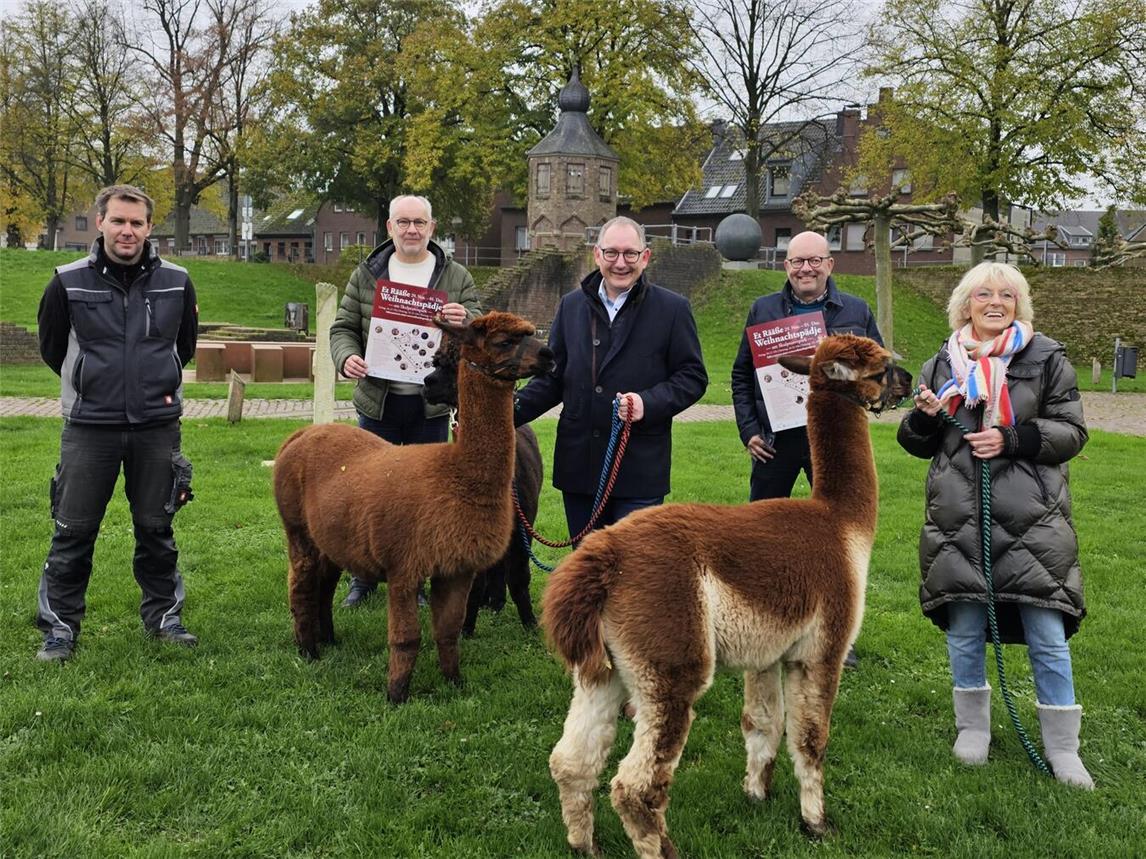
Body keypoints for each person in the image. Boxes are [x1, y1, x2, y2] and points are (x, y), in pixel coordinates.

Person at [897, 261, 1093, 789]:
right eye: (984, 294)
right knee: (964, 625)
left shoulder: (1046, 358)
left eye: (1007, 295)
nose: (995, 303)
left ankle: (1062, 747)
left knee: (1046, 628)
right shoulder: (942, 362)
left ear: (1018, 304)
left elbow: (1072, 432)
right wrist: (925, 416)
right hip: (959, 516)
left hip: (1033, 516)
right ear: (966, 304)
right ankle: (972, 730)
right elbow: (915, 443)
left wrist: (1012, 438)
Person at [34, 184, 199, 662]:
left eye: (137, 223)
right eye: (119, 221)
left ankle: (165, 619)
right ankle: (60, 629)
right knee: (72, 531)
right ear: (101, 222)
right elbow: (52, 348)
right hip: (89, 427)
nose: (128, 231)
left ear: (149, 228)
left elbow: (184, 346)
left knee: (156, 528)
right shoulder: (66, 282)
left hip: (156, 425)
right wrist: (93, 384)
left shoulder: (177, 281)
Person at [730, 230, 881, 667]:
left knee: (837, 539)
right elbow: (741, 376)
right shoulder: (763, 310)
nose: (806, 269)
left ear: (829, 264)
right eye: (797, 261)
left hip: (832, 444)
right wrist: (749, 430)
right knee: (761, 534)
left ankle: (837, 634)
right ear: (786, 266)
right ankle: (763, 624)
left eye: (815, 260)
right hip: (775, 442)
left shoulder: (856, 310)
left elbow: (876, 369)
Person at [513, 216, 707, 541]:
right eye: (612, 253)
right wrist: (501, 414)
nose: (620, 263)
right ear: (597, 254)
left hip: (639, 468)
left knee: (633, 566)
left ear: (645, 257)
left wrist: (647, 403)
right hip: (580, 466)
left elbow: (693, 377)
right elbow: (552, 379)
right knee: (587, 565)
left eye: (630, 254)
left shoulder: (672, 309)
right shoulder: (571, 306)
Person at [330, 194, 480, 606]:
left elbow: (479, 329)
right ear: (389, 227)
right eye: (403, 222)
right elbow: (343, 327)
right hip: (377, 403)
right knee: (370, 493)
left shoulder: (456, 276)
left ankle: (419, 578)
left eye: (419, 222)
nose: (411, 230)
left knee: (425, 498)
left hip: (430, 407)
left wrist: (465, 321)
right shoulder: (367, 274)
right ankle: (362, 577)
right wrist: (346, 358)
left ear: (432, 228)